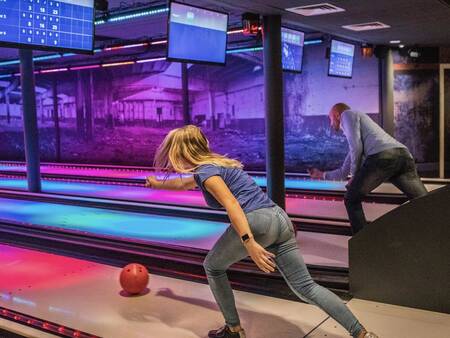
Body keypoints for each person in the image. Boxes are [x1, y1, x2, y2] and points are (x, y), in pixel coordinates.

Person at [146, 125, 378, 338]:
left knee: (213, 267)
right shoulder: (214, 167)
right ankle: (361, 334)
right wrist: (158, 183)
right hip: (279, 219)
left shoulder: (206, 173)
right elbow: (184, 184)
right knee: (306, 287)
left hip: (256, 223)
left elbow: (232, 205)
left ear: (183, 152)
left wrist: (249, 243)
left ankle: (233, 329)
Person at [309, 103, 428, 234]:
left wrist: (354, 177)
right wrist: (322, 175)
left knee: (351, 199)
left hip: (383, 157)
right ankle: (439, 233)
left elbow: (356, 148)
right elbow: (344, 171)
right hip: (404, 157)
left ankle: (362, 245)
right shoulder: (363, 138)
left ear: (337, 115)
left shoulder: (347, 114)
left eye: (330, 118)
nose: (331, 124)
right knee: (424, 202)